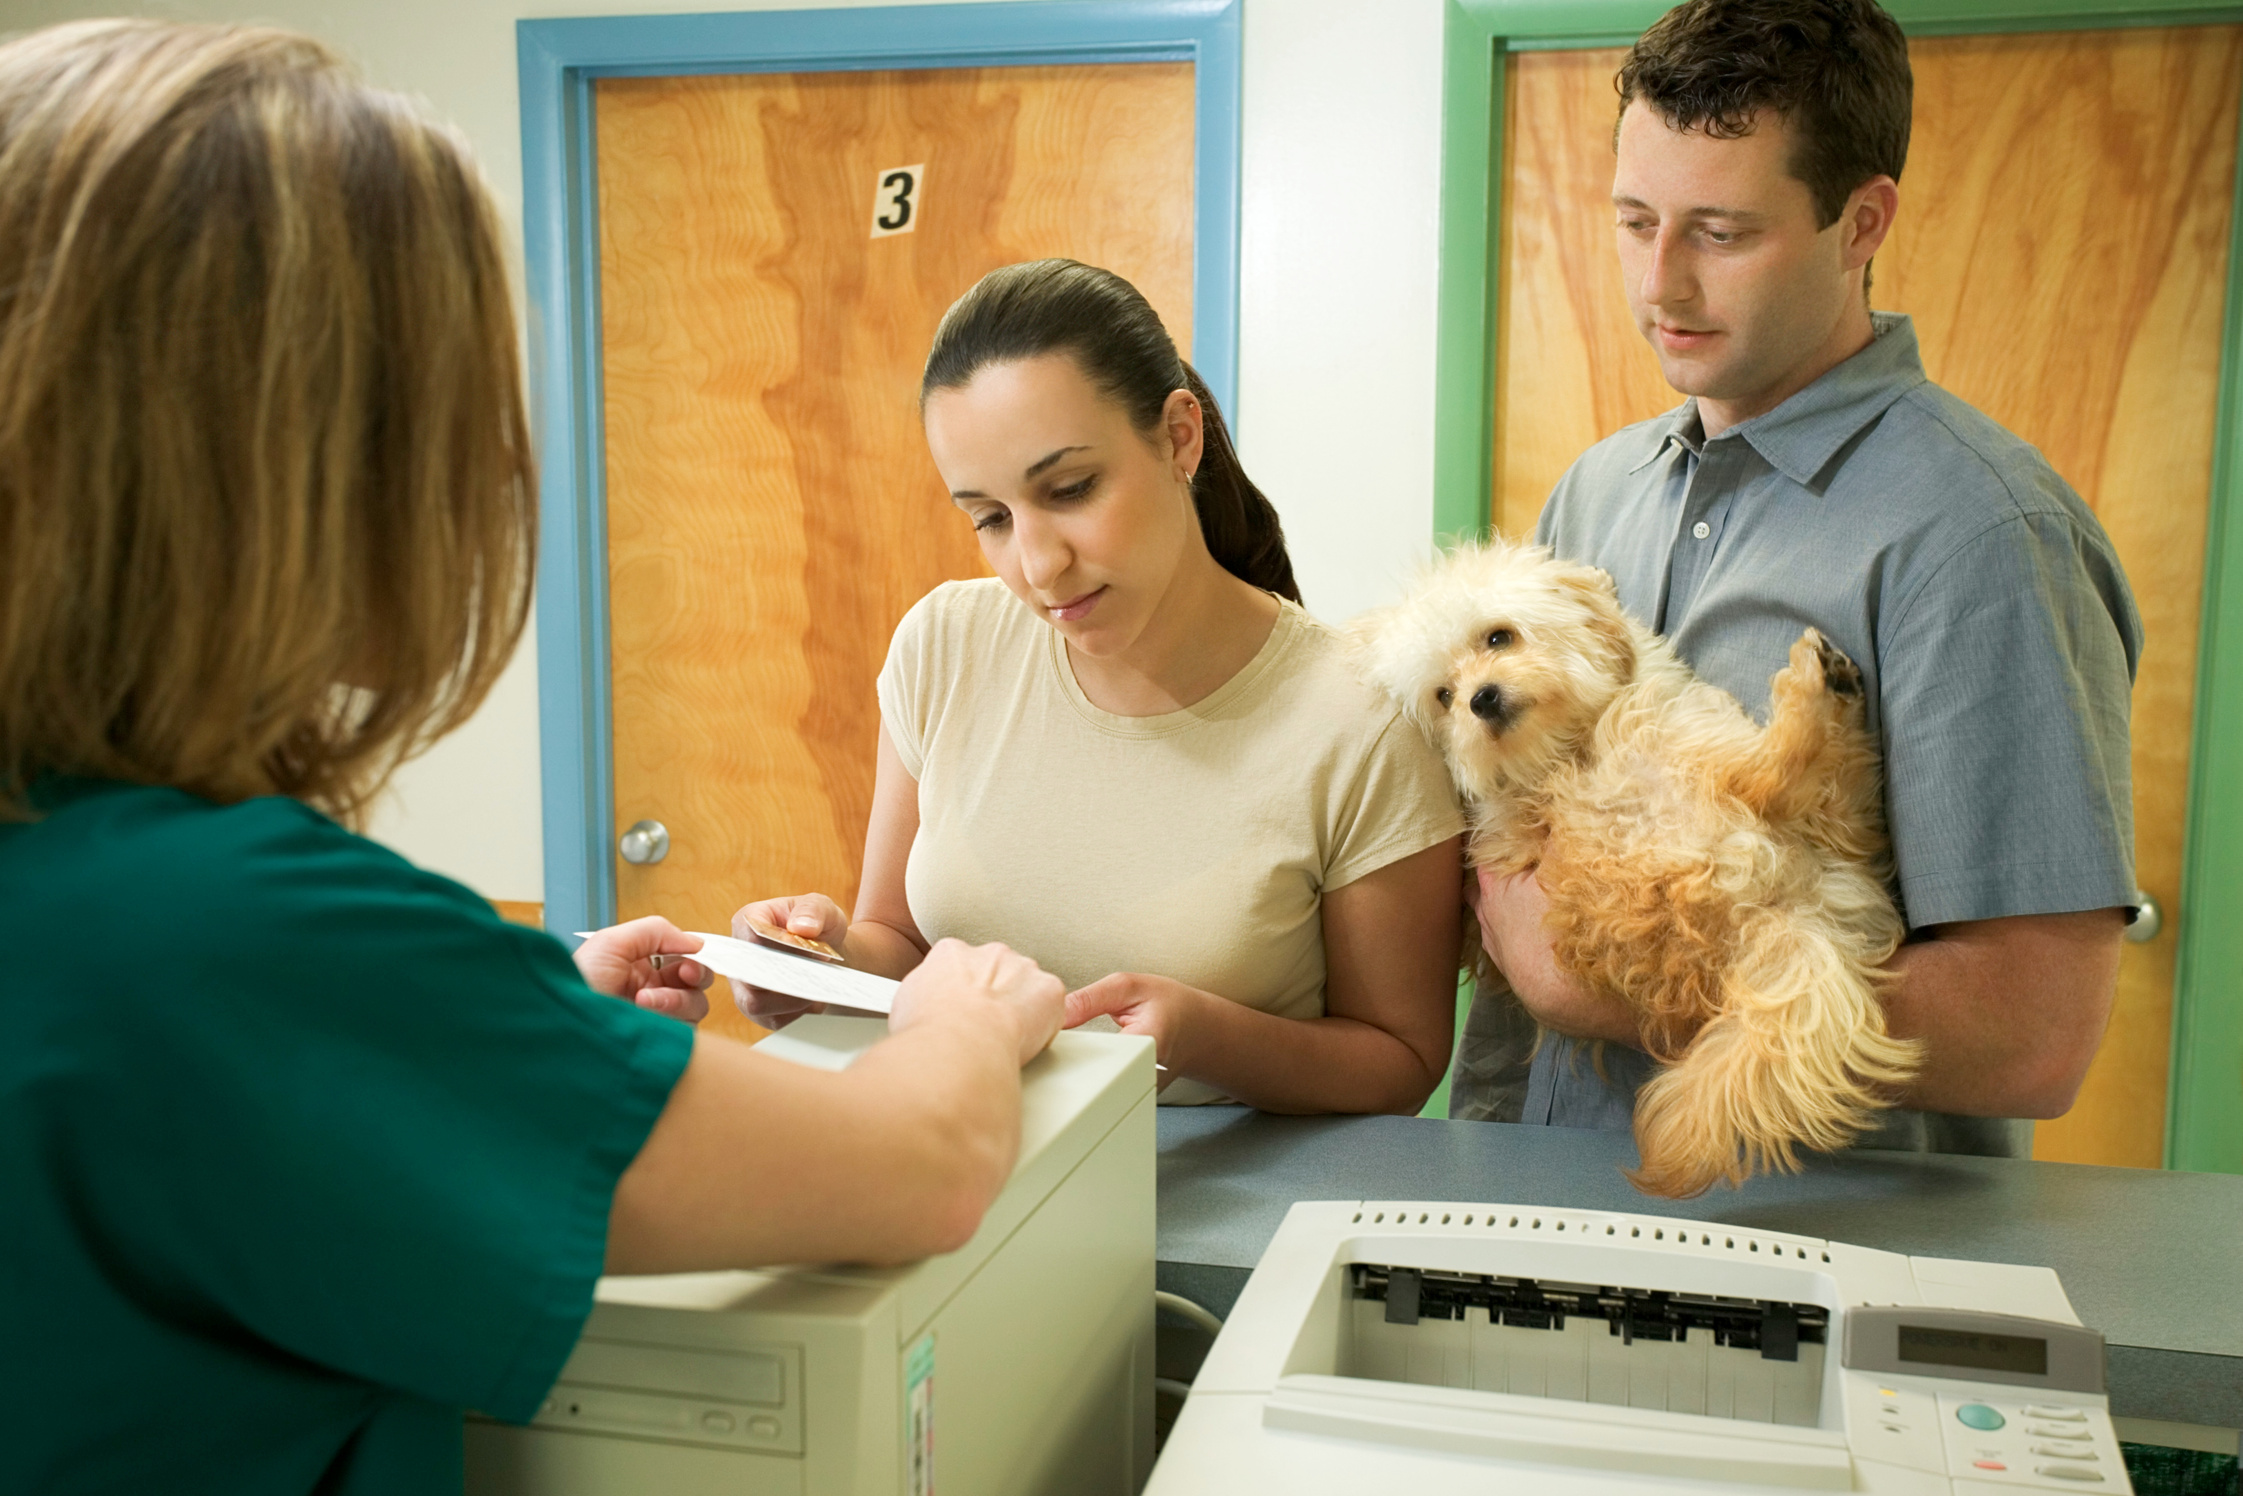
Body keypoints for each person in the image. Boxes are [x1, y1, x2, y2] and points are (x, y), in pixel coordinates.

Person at [0, 22, 1069, 1494]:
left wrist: (504, 1026)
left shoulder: (109, 884)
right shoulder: (234, 927)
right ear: (308, 460)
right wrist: (962, 1012)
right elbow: (926, 1162)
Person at [1453, 0, 2140, 1153]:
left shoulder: (1982, 537)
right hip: (1549, 1203)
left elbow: (2028, 1032)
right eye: (1633, 222)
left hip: (1818, 1264)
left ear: (1860, 220)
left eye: (1718, 234)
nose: (1658, 288)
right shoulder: (1594, 491)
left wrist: (1590, 990)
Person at [734, 260, 1466, 1114]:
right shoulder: (945, 645)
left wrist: (1206, 1037)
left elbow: (1400, 1060)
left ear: (1178, 437)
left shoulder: (1362, 717)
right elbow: (897, 940)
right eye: (990, 519)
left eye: (1071, 489)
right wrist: (817, 960)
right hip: (964, 1176)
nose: (1038, 566)